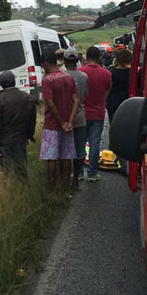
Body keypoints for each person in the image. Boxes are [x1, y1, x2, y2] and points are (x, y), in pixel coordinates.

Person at [40, 52, 78, 194]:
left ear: (45, 63)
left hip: (52, 125)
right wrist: (70, 121)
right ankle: (66, 188)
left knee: (52, 158)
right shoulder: (68, 77)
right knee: (67, 156)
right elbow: (76, 101)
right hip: (68, 124)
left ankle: (52, 191)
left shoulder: (47, 80)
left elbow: (50, 104)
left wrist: (61, 122)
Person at [0, 70, 36, 179]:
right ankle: (23, 191)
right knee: (21, 170)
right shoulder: (27, 98)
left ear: (1, 84)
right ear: (14, 82)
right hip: (21, 140)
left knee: (7, 172)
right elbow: (32, 120)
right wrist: (29, 136)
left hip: (4, 142)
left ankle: (11, 191)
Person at [78, 46, 111, 182]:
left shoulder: (80, 72)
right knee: (94, 143)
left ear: (86, 57)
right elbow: (107, 93)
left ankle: (78, 172)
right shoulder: (107, 74)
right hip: (98, 113)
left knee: (80, 143)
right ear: (99, 58)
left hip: (81, 114)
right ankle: (92, 173)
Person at [63, 48, 88, 190]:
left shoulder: (60, 75)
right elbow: (85, 95)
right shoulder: (84, 77)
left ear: (65, 61)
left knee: (65, 150)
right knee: (79, 150)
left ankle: (65, 180)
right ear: (77, 61)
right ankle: (76, 180)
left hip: (64, 118)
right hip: (80, 117)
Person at [107, 48, 132, 122]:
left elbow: (109, 88)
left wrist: (105, 100)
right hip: (128, 100)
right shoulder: (132, 73)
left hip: (114, 101)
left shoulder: (112, 72)